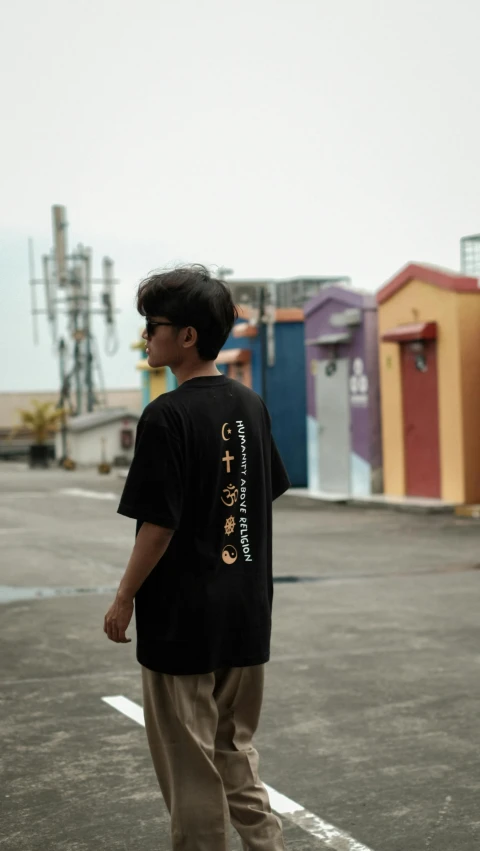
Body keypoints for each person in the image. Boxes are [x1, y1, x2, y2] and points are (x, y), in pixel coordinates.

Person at [104, 265, 290, 851]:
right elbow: (264, 492)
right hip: (246, 613)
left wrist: (123, 597)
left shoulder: (167, 415)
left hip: (182, 623)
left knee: (193, 772)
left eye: (152, 326)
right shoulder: (251, 407)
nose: (145, 337)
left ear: (186, 336)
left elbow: (157, 526)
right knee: (235, 753)